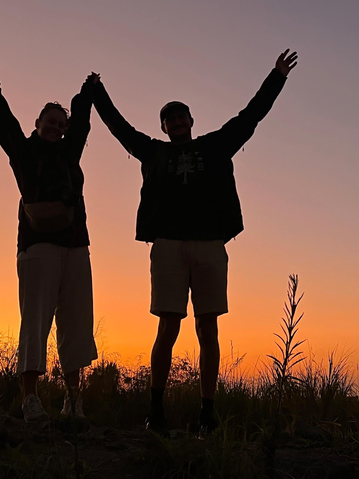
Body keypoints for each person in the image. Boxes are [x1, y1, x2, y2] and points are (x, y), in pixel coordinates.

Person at [91, 49, 298, 434]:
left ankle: (208, 412)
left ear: (190, 120)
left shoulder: (215, 146)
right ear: (165, 126)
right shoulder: (152, 151)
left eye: (179, 115)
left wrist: (277, 77)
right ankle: (156, 411)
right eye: (167, 118)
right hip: (168, 246)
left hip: (209, 246)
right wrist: (97, 93)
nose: (174, 121)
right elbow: (119, 128)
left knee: (208, 329)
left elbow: (250, 117)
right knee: (167, 328)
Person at [0, 53, 99, 422]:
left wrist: (87, 92)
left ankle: (74, 400)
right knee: (36, 321)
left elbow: (83, 122)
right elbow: (0, 118)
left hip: (76, 246)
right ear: (37, 123)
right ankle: (30, 399)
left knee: (76, 321)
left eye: (61, 123)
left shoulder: (71, 151)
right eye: (50, 121)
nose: (56, 127)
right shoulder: (23, 150)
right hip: (37, 245)